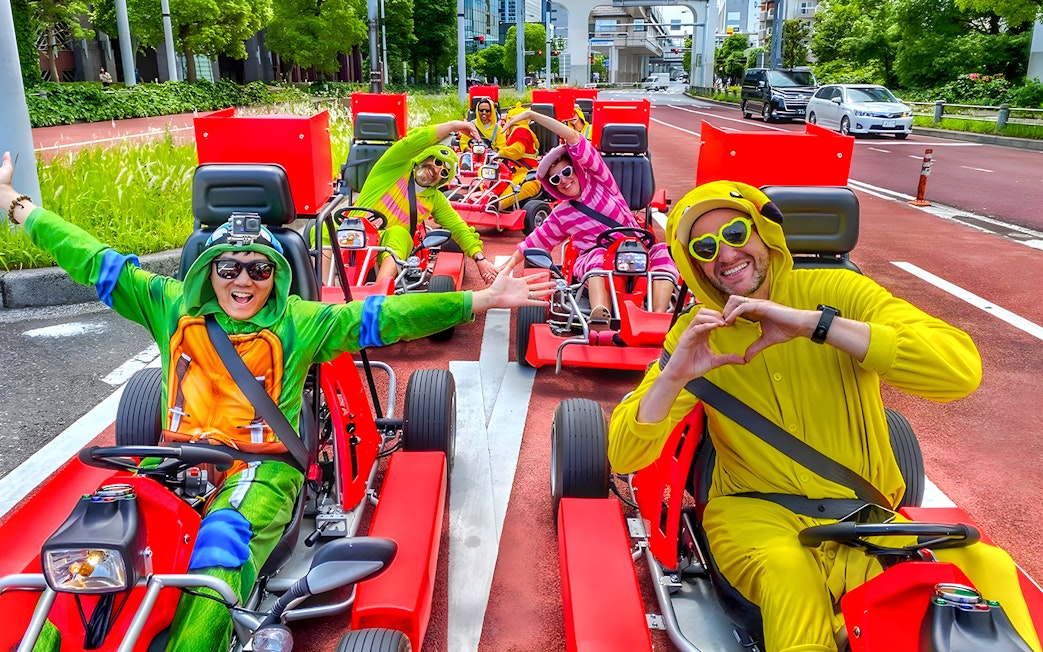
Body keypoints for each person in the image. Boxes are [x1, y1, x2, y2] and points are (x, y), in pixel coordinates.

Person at [0, 150, 553, 652]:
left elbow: (389, 317)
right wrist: (17, 206)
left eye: (260, 269)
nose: (244, 281)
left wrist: (477, 300)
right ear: (207, 271)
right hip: (174, 462)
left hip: (262, 468)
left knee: (220, 542)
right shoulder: (170, 307)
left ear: (276, 274)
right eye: (229, 268)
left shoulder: (301, 321)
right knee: (79, 547)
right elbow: (91, 258)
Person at [606, 180, 1041, 652]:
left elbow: (959, 372)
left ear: (764, 233)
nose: (724, 255)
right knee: (791, 578)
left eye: (735, 233)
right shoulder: (698, 334)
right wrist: (674, 378)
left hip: (863, 511)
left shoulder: (838, 291)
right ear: (692, 264)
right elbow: (625, 453)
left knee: (986, 568)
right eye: (705, 247)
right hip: (754, 513)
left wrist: (819, 326)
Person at [499, 108, 677, 320]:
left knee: (662, 252)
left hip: (636, 252)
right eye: (556, 180)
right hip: (597, 259)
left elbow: (573, 138)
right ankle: (600, 315)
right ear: (552, 186)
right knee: (595, 257)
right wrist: (506, 267)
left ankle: (658, 317)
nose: (564, 180)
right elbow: (534, 242)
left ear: (575, 169)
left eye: (566, 172)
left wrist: (532, 116)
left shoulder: (600, 181)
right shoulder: (562, 214)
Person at [347, 119, 499, 285]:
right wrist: (453, 126)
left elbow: (459, 228)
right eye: (437, 162)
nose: (437, 170)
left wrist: (480, 259)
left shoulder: (434, 199)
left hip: (385, 245)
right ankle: (322, 293)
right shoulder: (393, 166)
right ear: (424, 157)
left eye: (444, 172)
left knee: (399, 234)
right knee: (326, 229)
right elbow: (411, 142)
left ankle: (379, 292)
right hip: (354, 234)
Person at [494, 103, 542, 211]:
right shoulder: (513, 132)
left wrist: (501, 153)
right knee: (487, 174)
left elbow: (518, 150)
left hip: (526, 172)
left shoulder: (521, 130)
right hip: (511, 170)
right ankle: (489, 199)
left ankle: (498, 204)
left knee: (520, 186)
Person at [458, 97, 505, 170]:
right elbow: (463, 142)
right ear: (477, 111)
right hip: (472, 153)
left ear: (491, 112)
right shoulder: (471, 125)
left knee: (494, 159)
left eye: (487, 111)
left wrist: (494, 151)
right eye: (481, 110)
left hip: (489, 153)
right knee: (466, 156)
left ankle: (491, 167)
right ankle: (466, 167)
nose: (484, 113)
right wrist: (468, 150)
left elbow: (501, 145)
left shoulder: (497, 128)